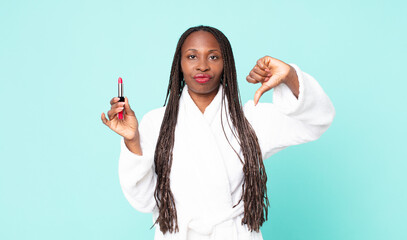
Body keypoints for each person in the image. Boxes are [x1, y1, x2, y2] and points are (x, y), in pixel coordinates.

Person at [101, 25, 335, 240]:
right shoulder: (156, 122)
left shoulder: (250, 119)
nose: (202, 65)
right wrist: (132, 140)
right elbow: (143, 201)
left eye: (213, 56)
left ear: (226, 64)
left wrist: (291, 76)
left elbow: (317, 121)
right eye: (192, 56)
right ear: (179, 64)